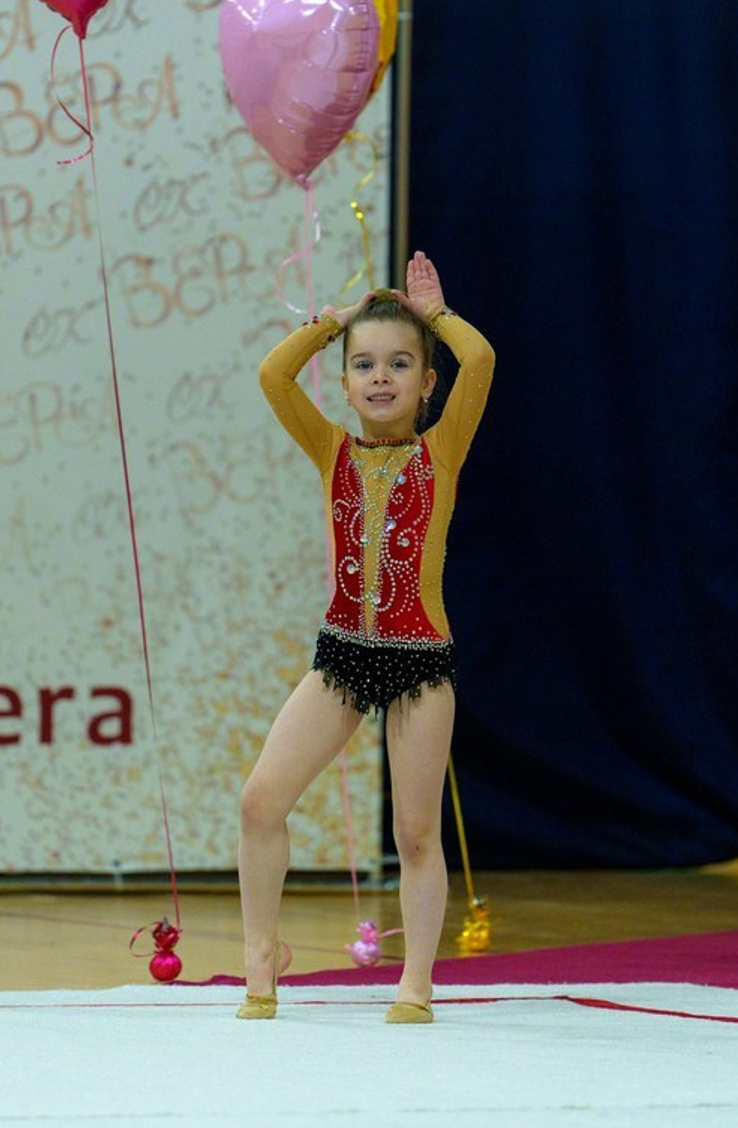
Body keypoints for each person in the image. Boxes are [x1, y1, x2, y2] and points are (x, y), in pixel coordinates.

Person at [238, 251, 495, 1022]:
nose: (380, 377)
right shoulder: (332, 453)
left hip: (420, 662)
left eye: (400, 363)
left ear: (427, 383)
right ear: (346, 381)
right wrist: (336, 322)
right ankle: (260, 963)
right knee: (260, 801)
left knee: (415, 831)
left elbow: (480, 357)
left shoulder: (440, 452)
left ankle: (415, 981)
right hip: (343, 656)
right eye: (364, 365)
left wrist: (436, 313)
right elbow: (272, 378)